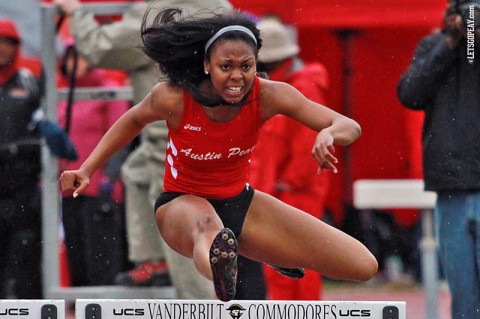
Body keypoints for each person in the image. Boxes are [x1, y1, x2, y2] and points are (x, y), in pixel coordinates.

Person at [60, 7, 378, 302]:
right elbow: (131, 120)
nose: (237, 77)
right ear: (207, 65)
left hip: (239, 201)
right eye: (226, 67)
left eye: (246, 67)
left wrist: (328, 133)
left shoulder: (269, 96)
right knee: (208, 229)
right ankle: (223, 271)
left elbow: (348, 125)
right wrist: (87, 169)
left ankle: (256, 252)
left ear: (257, 65)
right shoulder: (173, 98)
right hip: (180, 205)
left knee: (363, 266)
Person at [54, 0, 235, 298]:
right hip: (215, 132)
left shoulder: (158, 12)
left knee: (183, 224)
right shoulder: (220, 6)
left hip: (173, 138)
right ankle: (156, 260)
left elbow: (100, 47)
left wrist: (76, 13)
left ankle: (203, 304)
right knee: (136, 172)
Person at [397, 1, 480, 317]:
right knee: (463, 296)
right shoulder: (437, 45)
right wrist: (450, 42)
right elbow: (409, 94)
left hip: (459, 184)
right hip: (451, 187)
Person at [249, 16, 332, 300]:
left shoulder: (302, 87)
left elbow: (310, 146)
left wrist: (286, 186)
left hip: (293, 193)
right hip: (283, 191)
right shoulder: (287, 86)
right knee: (287, 263)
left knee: (294, 264)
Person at [57, 39, 130, 286]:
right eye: (70, 57)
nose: (75, 63)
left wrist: (109, 179)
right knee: (77, 258)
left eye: (82, 56)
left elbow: (121, 138)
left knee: (101, 259)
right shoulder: (61, 95)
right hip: (69, 191)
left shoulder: (109, 91)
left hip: (100, 189)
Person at [0, 18, 43, 299]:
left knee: (26, 256)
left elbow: (45, 125)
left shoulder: (29, 80)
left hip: (24, 188)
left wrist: (21, 149)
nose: (2, 49)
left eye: (8, 44)